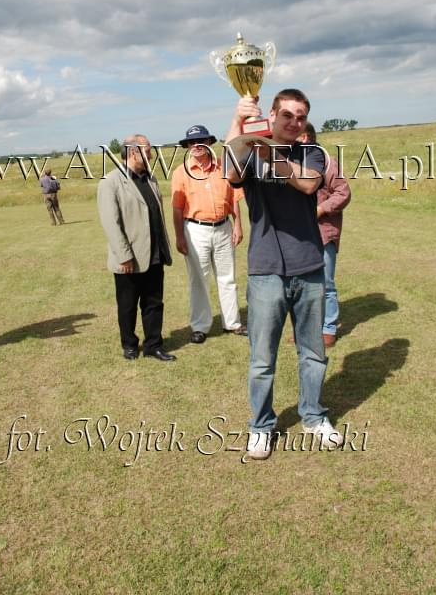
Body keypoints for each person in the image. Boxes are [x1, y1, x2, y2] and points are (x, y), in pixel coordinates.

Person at [225, 90, 344, 459]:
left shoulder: (312, 152)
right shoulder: (251, 152)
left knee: (312, 353)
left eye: (301, 116)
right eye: (287, 115)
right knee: (262, 358)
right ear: (272, 114)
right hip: (265, 271)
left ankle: (314, 416)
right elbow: (230, 170)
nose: (294, 122)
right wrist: (238, 120)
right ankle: (261, 426)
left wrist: (267, 150)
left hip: (308, 266)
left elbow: (308, 183)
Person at [97, 134, 176, 362]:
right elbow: (111, 223)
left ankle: (153, 345)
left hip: (155, 254)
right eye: (148, 149)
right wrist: (124, 255)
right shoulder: (110, 181)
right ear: (134, 152)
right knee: (128, 305)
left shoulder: (150, 179)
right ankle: (129, 344)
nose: (151, 154)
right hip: (129, 258)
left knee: (154, 303)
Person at [171, 125, 246, 344]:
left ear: (209, 143)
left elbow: (234, 199)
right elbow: (177, 208)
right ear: (187, 146)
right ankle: (200, 327)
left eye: (201, 141)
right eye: (192, 142)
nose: (196, 146)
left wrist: (238, 224)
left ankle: (232, 323)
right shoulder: (180, 172)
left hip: (223, 228)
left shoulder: (223, 167)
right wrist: (179, 236)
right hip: (195, 230)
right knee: (199, 280)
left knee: (228, 278)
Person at [299, 122, 351, 346]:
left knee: (326, 283)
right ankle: (306, 329)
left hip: (323, 232)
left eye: (301, 136)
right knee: (302, 284)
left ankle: (328, 327)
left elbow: (343, 193)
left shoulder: (327, 162)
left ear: (308, 137)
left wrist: (321, 209)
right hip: (298, 235)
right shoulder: (290, 163)